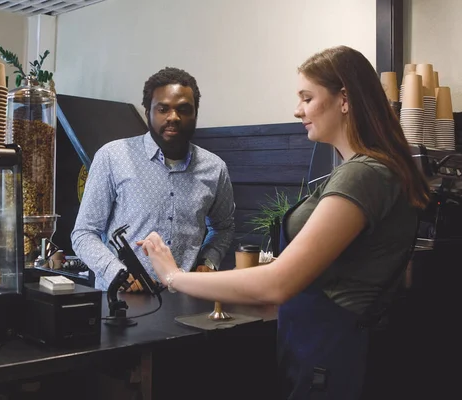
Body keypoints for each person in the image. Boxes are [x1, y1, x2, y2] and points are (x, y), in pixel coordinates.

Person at [138, 46, 430, 399]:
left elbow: (278, 284)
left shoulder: (363, 176)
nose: (297, 110)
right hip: (315, 346)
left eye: (307, 98)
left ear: (344, 99)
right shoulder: (359, 172)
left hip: (332, 355)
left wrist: (174, 276)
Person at [71, 66, 235, 292]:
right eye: (163, 109)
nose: (173, 117)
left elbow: (224, 228)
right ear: (148, 110)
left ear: (195, 112)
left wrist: (207, 263)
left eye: (184, 109)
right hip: (121, 306)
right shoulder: (112, 157)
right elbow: (83, 234)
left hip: (186, 302)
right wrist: (118, 274)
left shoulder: (214, 168)